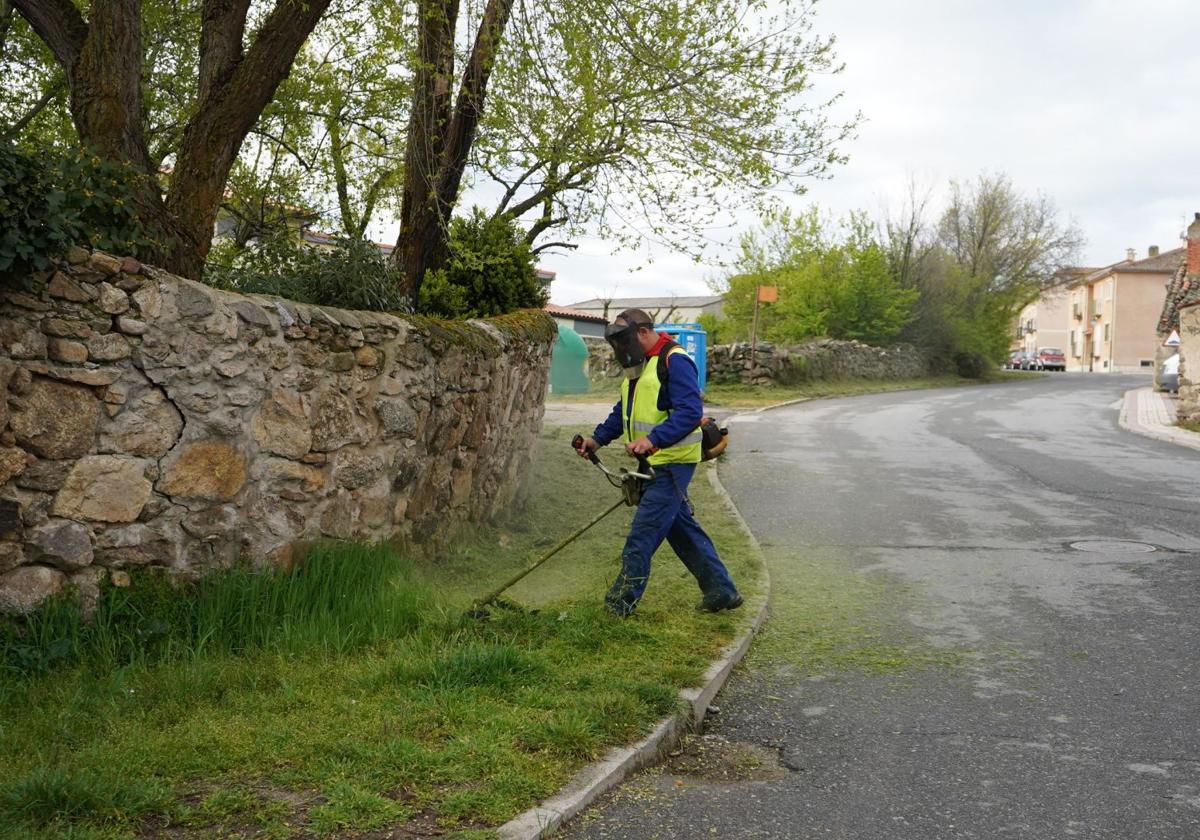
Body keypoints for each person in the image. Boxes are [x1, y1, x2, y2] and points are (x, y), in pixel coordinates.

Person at [575, 309, 742, 617]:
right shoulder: (640, 367)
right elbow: (623, 409)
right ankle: (722, 590)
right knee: (682, 530)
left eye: (625, 340)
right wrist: (597, 439)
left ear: (642, 332)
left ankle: (618, 607)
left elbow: (690, 411)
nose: (622, 349)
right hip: (652, 465)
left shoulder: (674, 360)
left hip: (672, 463)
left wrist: (653, 440)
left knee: (642, 536)